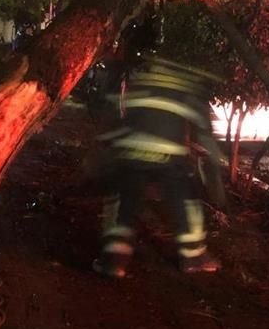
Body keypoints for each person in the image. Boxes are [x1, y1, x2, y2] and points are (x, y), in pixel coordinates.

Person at [93, 55, 225, 278]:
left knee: (125, 202)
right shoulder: (189, 85)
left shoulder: (141, 79)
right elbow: (204, 132)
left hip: (131, 150)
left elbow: (115, 115)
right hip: (168, 154)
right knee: (185, 200)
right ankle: (193, 257)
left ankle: (114, 261)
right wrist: (216, 170)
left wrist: (106, 150)